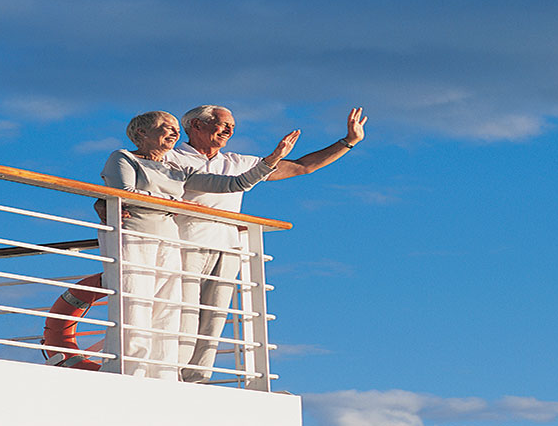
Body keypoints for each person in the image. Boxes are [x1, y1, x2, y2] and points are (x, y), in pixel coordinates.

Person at [164, 105, 367, 382]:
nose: (229, 130)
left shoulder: (238, 161)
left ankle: (196, 379)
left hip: (227, 245)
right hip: (184, 242)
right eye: (222, 124)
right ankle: (170, 373)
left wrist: (348, 142)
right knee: (183, 311)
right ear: (196, 125)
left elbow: (301, 166)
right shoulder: (170, 156)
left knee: (214, 317)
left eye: (232, 126)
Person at [91, 111, 298, 380]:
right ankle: (127, 373)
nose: (174, 132)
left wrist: (272, 159)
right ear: (141, 132)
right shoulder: (123, 157)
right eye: (165, 127)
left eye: (176, 127)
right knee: (135, 305)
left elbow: (236, 184)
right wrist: (176, 203)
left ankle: (163, 375)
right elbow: (124, 195)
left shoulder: (178, 169)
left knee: (169, 310)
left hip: (169, 239)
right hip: (134, 235)